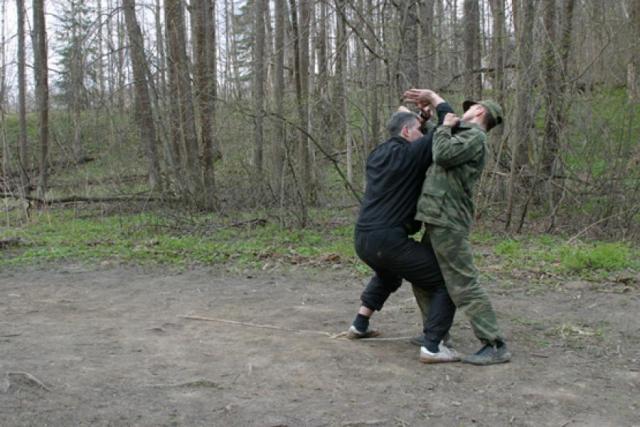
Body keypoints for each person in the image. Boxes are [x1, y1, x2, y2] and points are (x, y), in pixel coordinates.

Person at [404, 88, 511, 365]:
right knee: (422, 276)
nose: (465, 111)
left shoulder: (476, 137)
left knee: (463, 282)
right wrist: (429, 121)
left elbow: (443, 154)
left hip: (449, 220)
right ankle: (436, 335)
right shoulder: (461, 134)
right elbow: (438, 145)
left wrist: (440, 116)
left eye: (470, 107)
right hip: (437, 218)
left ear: (480, 111)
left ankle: (494, 344)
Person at [347, 103, 459, 363]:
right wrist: (437, 102)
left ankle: (359, 324)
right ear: (407, 132)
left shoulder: (377, 154)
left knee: (388, 275)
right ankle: (432, 346)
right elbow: (446, 126)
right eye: (419, 130)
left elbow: (421, 134)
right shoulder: (411, 153)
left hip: (362, 239)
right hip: (388, 240)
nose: (422, 134)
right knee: (447, 280)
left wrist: (421, 119)